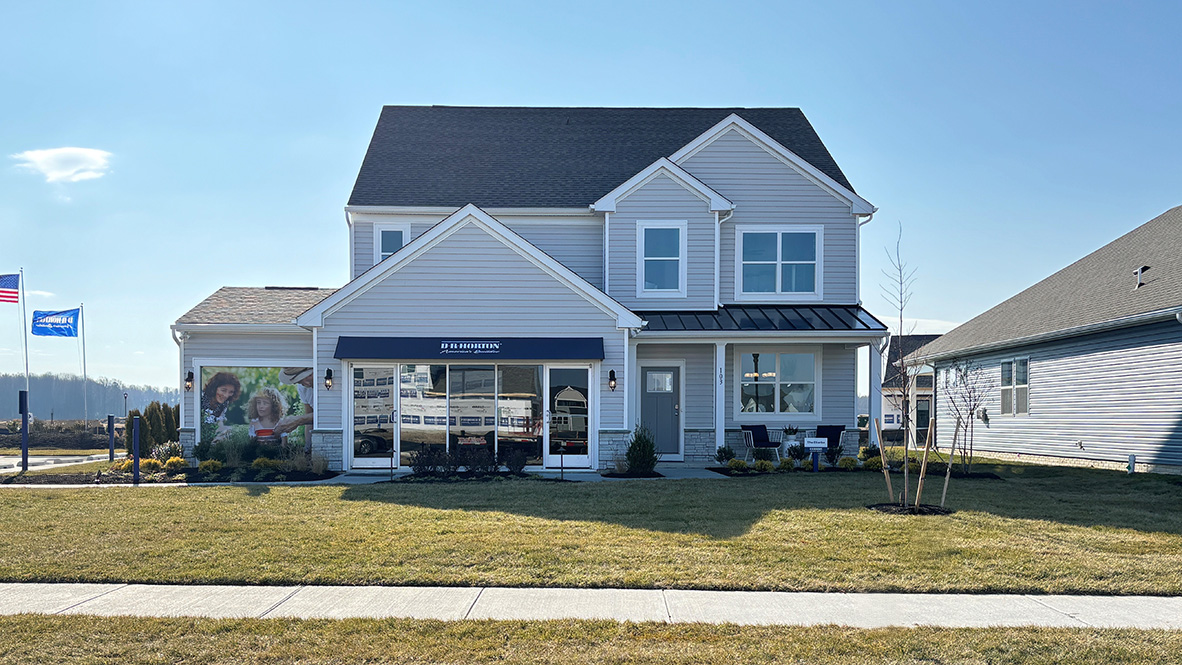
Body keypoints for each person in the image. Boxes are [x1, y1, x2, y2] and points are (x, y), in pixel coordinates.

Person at [275, 367, 315, 451]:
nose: (306, 383)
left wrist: (298, 420)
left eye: (308, 376)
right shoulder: (302, 388)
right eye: (299, 381)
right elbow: (309, 420)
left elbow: (332, 414)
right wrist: (308, 448)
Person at [201, 372, 241, 441]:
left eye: (231, 392)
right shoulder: (201, 398)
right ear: (215, 388)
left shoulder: (224, 403)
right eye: (223, 390)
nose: (226, 395)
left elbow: (219, 425)